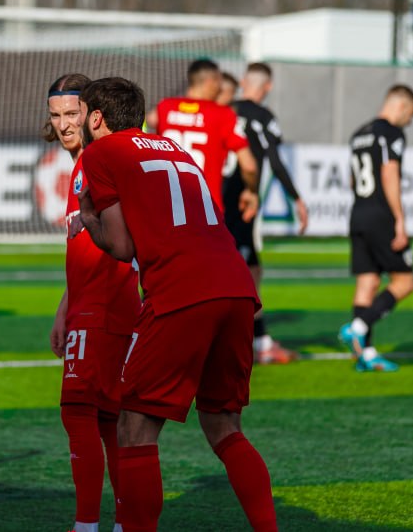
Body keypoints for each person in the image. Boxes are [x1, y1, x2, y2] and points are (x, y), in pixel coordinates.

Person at [76, 77, 275, 532]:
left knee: (135, 427)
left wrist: (88, 219)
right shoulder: (172, 147)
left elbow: (122, 247)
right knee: (225, 428)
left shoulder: (101, 153)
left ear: (96, 118)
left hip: (182, 291)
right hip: (237, 289)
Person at [43, 73, 139, 532]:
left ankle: (85, 526)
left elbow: (116, 240)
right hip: (100, 305)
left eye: (72, 114)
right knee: (106, 417)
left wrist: (83, 309)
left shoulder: (98, 161)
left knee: (78, 409)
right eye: (56, 116)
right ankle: (121, 522)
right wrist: (65, 307)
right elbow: (85, 245)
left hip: (105, 304)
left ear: (92, 114)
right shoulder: (90, 162)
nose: (64, 124)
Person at [220, 62, 310, 365]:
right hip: (243, 205)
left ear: (245, 82)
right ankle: (256, 342)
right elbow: (275, 161)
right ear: (267, 86)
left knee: (243, 270)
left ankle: (255, 339)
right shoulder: (264, 117)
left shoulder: (224, 110)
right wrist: (297, 199)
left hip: (212, 202)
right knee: (247, 276)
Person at [338, 85, 413, 373]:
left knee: (367, 283)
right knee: (405, 282)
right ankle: (358, 327)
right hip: (380, 215)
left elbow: (351, 180)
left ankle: (365, 355)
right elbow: (389, 173)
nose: (409, 121)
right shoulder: (391, 133)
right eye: (411, 115)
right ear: (403, 107)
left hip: (358, 212)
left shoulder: (359, 134)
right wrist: (399, 219)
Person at [155, 58, 260, 217]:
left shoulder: (164, 107)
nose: (220, 89)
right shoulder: (223, 115)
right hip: (205, 210)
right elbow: (249, 167)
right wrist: (252, 190)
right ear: (211, 82)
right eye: (219, 82)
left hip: (165, 206)